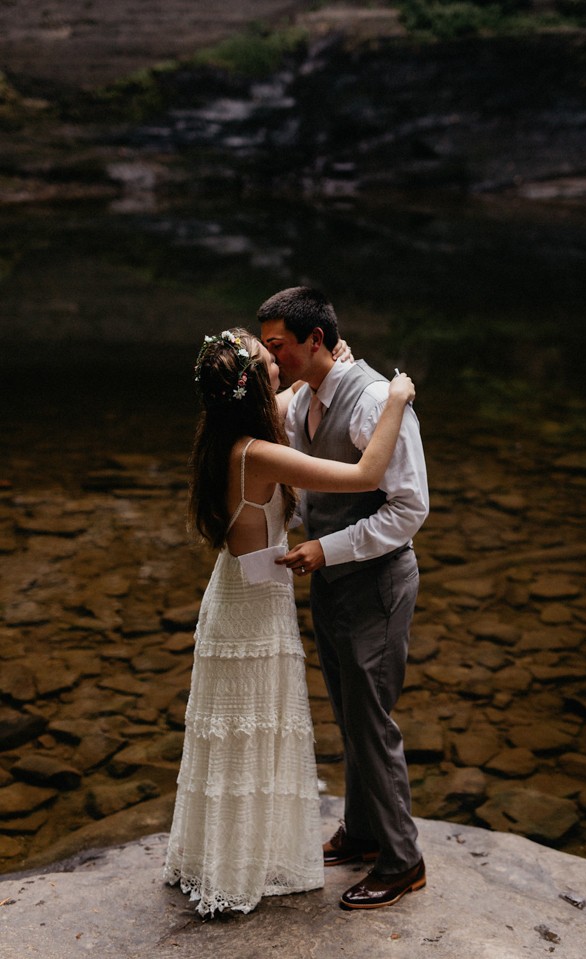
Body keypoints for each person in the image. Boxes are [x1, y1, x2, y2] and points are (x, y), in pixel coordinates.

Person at [163, 327, 416, 918]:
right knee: (253, 731)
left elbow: (287, 394)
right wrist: (398, 397)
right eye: (267, 361)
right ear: (254, 389)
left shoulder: (221, 437)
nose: (278, 363)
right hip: (254, 613)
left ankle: (222, 855)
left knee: (232, 735)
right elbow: (363, 475)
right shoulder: (261, 453)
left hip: (235, 595)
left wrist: (326, 369)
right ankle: (245, 861)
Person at [258, 287, 429, 911]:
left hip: (376, 582)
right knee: (349, 710)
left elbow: (409, 510)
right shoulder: (304, 393)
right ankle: (361, 831)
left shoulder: (374, 403)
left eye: (280, 347)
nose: (274, 359)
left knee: (372, 720)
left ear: (317, 342)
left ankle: (402, 859)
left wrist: (325, 550)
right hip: (332, 581)